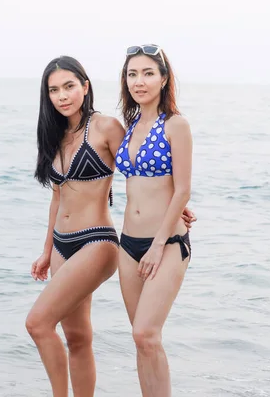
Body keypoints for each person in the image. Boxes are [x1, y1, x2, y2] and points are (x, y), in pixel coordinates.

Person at [25, 55, 196, 397]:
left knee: (38, 323)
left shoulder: (107, 127)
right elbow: (57, 197)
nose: (63, 95)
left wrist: (178, 206)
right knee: (78, 337)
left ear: (85, 87)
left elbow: (137, 168)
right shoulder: (54, 136)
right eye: (54, 90)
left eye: (69, 86)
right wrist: (46, 251)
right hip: (62, 243)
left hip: (96, 241)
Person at [115, 44, 194, 396]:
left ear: (163, 79)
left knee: (145, 333)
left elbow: (182, 190)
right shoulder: (130, 127)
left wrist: (159, 245)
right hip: (128, 244)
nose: (139, 81)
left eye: (148, 73)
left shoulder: (176, 125)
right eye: (132, 74)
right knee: (142, 341)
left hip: (166, 245)